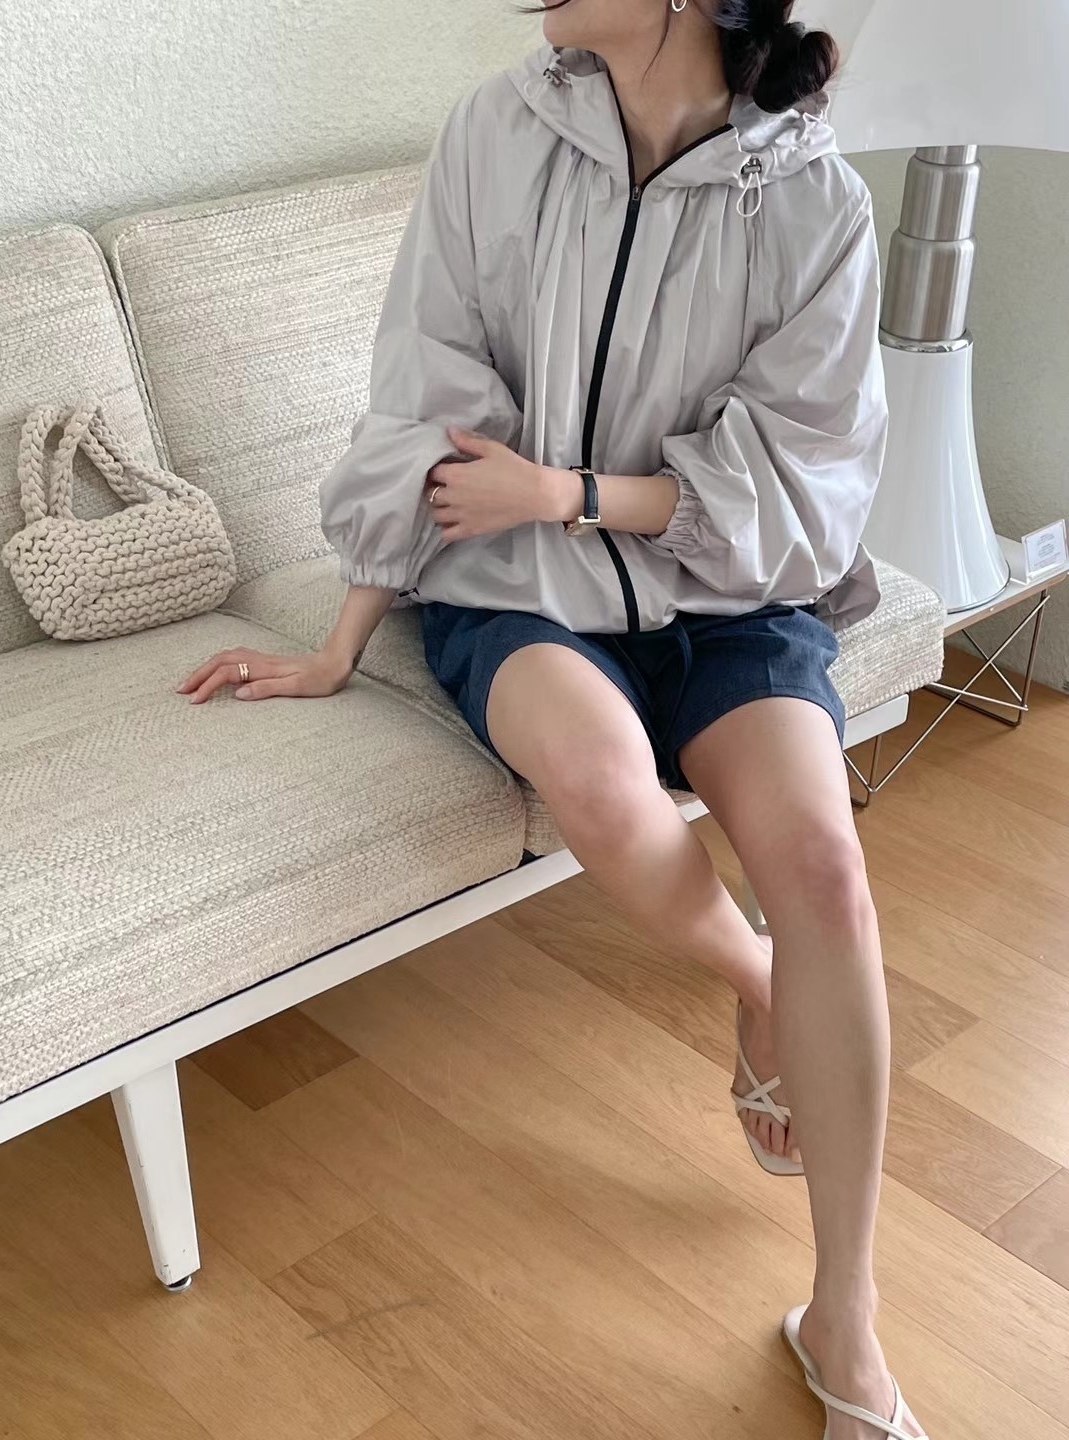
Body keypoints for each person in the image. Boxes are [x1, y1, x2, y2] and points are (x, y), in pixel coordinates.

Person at [181, 3, 926, 1436]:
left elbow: (804, 480)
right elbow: (422, 401)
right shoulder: (496, 131)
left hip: (723, 592)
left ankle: (846, 1319)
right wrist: (341, 642)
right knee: (595, 776)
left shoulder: (813, 203)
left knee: (828, 869)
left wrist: (573, 492)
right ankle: (763, 983)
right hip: (513, 586)